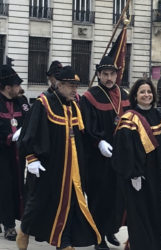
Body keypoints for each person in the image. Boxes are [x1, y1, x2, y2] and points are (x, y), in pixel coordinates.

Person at [16, 66, 101, 250]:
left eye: (76, 86)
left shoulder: (75, 106)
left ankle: (64, 242)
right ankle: (24, 230)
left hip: (72, 168)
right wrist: (31, 158)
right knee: (39, 203)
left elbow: (83, 136)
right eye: (70, 86)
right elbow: (30, 133)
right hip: (49, 166)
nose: (74, 90)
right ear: (59, 85)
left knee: (71, 205)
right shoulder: (43, 103)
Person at [112, 78, 161, 250]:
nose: (147, 95)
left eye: (149, 91)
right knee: (139, 217)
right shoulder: (128, 118)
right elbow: (124, 150)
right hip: (137, 177)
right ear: (135, 96)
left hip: (156, 175)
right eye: (142, 92)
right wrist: (133, 174)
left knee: (156, 214)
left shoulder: (157, 115)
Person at [79, 55, 130, 249]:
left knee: (117, 197)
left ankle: (110, 230)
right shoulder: (90, 96)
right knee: (100, 197)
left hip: (119, 155)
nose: (109, 78)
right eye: (105, 74)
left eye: (112, 74)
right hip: (99, 158)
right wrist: (98, 141)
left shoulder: (123, 94)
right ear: (99, 75)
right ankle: (98, 236)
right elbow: (86, 125)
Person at [0, 65, 29, 241]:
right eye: (16, 85)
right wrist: (10, 137)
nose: (19, 88)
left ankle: (13, 219)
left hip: (19, 156)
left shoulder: (21, 102)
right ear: (8, 87)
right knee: (4, 190)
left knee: (20, 189)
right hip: (1, 156)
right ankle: (8, 226)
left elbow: (30, 119)